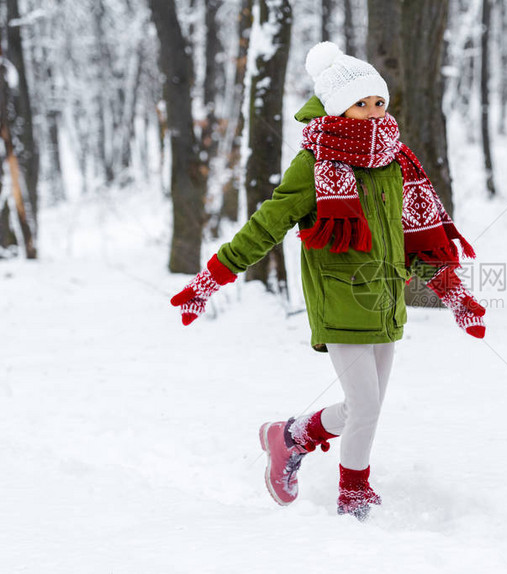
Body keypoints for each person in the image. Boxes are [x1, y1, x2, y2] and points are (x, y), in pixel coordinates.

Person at [170, 42, 486, 521]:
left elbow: (415, 239)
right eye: (363, 103)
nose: (374, 112)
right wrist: (212, 278)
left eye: (379, 102)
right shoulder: (313, 165)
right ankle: (353, 493)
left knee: (368, 406)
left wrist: (454, 295)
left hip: (385, 300)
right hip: (339, 302)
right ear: (339, 107)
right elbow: (266, 225)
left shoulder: (395, 161)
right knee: (365, 406)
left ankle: (292, 436)